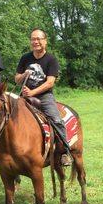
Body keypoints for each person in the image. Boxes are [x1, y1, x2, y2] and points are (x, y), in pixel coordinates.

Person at [15, 28, 72, 166]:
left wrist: (33, 93)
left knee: (56, 119)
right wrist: (24, 75)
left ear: (45, 41)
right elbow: (16, 79)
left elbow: (50, 82)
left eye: (39, 39)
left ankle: (65, 151)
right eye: (33, 39)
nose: (36, 42)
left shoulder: (51, 59)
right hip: (25, 95)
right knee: (9, 116)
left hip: (44, 96)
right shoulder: (25, 58)